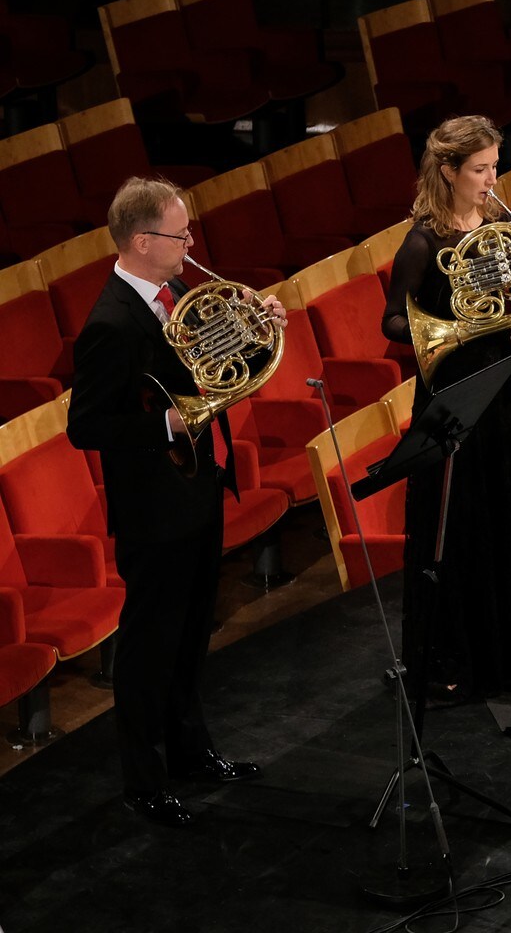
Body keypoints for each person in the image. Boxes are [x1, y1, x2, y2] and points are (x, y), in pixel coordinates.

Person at [69, 177, 287, 827]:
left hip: (199, 488)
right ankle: (145, 778)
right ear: (142, 241)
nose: (192, 243)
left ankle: (194, 751)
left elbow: (220, 372)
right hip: (153, 508)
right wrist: (167, 424)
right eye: (180, 233)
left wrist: (257, 331)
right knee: (151, 644)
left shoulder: (181, 296)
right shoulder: (110, 324)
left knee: (194, 633)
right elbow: (87, 427)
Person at [381, 115, 511, 700]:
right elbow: (391, 321)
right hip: (451, 386)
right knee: (458, 525)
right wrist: (455, 326)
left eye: (494, 167)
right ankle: (453, 655)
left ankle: (509, 648)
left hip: (499, 380)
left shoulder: (500, 224)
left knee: (503, 513)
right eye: (480, 170)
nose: (491, 179)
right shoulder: (422, 240)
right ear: (450, 171)